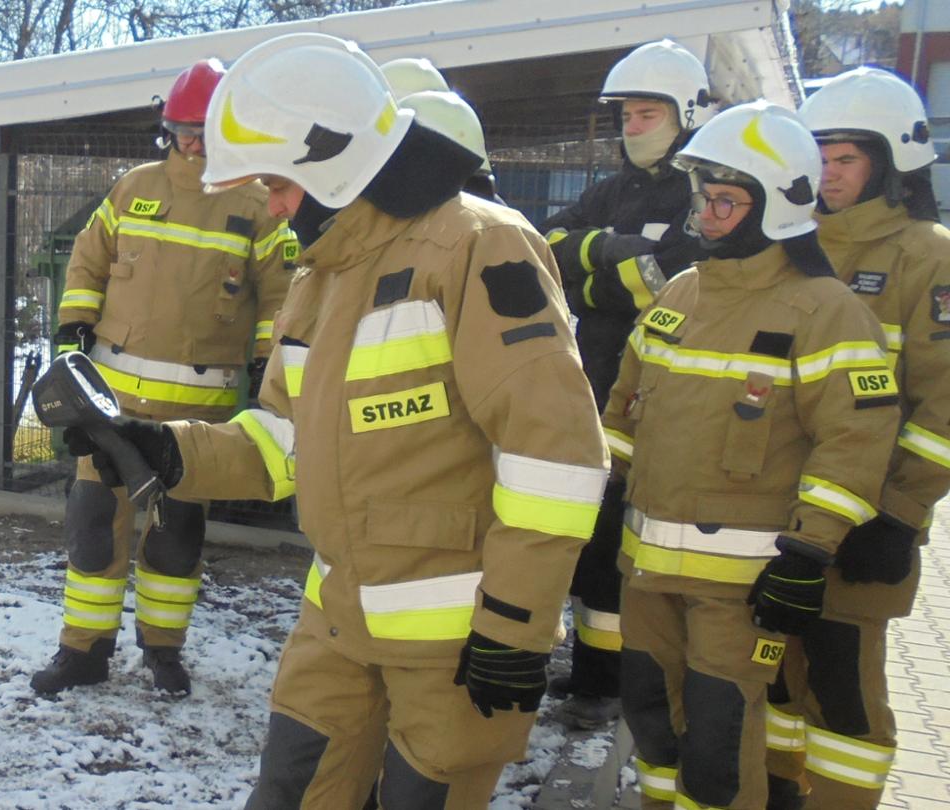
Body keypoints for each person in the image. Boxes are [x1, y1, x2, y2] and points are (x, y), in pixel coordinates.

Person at [79, 33, 608, 806]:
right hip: (335, 622)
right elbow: (280, 441)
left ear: (331, 161)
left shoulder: (477, 246)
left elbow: (555, 457)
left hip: (455, 644)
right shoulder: (319, 277)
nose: (274, 204)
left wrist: (515, 624)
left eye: (278, 183)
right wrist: (161, 449)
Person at [602, 100, 900, 809]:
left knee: (720, 745)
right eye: (703, 197)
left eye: (726, 201)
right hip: (647, 576)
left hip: (740, 589)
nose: (704, 215)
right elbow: (623, 409)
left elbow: (856, 438)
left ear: (780, 207)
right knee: (653, 726)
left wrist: (807, 554)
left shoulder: (827, 310)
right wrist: (605, 497)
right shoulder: (680, 293)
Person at [31, 58, 298, 698]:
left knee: (177, 540)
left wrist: (267, 363)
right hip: (109, 402)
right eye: (184, 130)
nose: (194, 143)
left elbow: (282, 297)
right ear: (168, 128)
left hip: (195, 422)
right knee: (93, 529)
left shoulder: (260, 205)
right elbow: (87, 266)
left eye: (205, 130)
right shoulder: (132, 189)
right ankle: (84, 654)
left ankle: (163, 652)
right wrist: (72, 331)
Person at [760, 67, 950, 809]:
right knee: (774, 674)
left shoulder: (928, 255)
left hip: (866, 524)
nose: (829, 174)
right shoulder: (787, 246)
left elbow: (944, 404)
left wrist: (901, 512)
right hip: (778, 517)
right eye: (820, 157)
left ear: (891, 164)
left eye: (847, 159)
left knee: (841, 688)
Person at [540, 39, 714, 729]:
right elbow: (543, 247)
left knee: (622, 545)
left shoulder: (700, 197)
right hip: (588, 385)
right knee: (589, 542)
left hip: (651, 402)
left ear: (686, 114)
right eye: (627, 115)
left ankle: (618, 680)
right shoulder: (610, 192)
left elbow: (668, 287)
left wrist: (597, 271)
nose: (632, 127)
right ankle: (591, 672)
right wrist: (607, 253)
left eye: (646, 114)